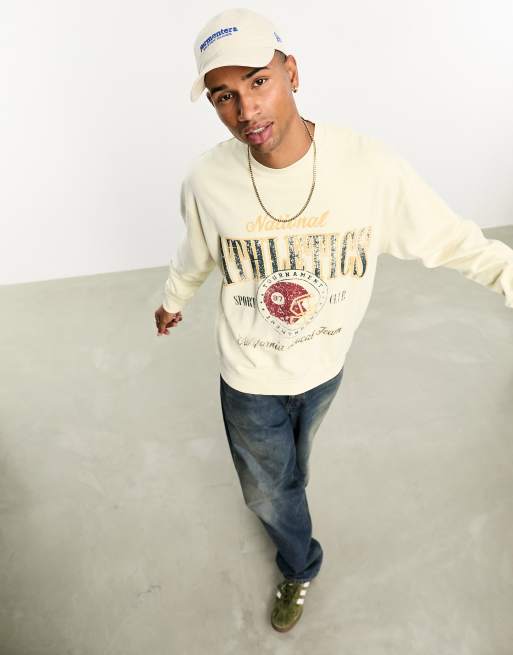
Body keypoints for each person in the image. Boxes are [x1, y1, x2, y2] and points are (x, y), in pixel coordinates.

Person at [154, 8, 513, 633]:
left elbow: (450, 239)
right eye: (223, 96)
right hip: (248, 374)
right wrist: (172, 299)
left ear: (291, 72)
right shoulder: (207, 180)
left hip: (324, 366)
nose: (246, 110)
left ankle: (286, 490)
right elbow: (197, 253)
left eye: (258, 82)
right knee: (268, 492)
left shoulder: (368, 167)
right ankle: (299, 565)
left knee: (293, 467)